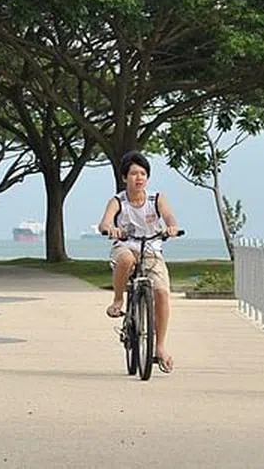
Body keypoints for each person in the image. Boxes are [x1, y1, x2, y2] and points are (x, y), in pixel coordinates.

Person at [98, 151, 181, 374]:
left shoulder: (156, 199)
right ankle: (117, 301)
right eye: (134, 173)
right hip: (126, 246)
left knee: (162, 292)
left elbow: (171, 218)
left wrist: (171, 227)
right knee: (125, 259)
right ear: (125, 177)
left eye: (143, 173)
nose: (139, 178)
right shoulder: (118, 201)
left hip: (152, 249)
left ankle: (160, 347)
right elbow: (104, 222)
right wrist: (110, 229)